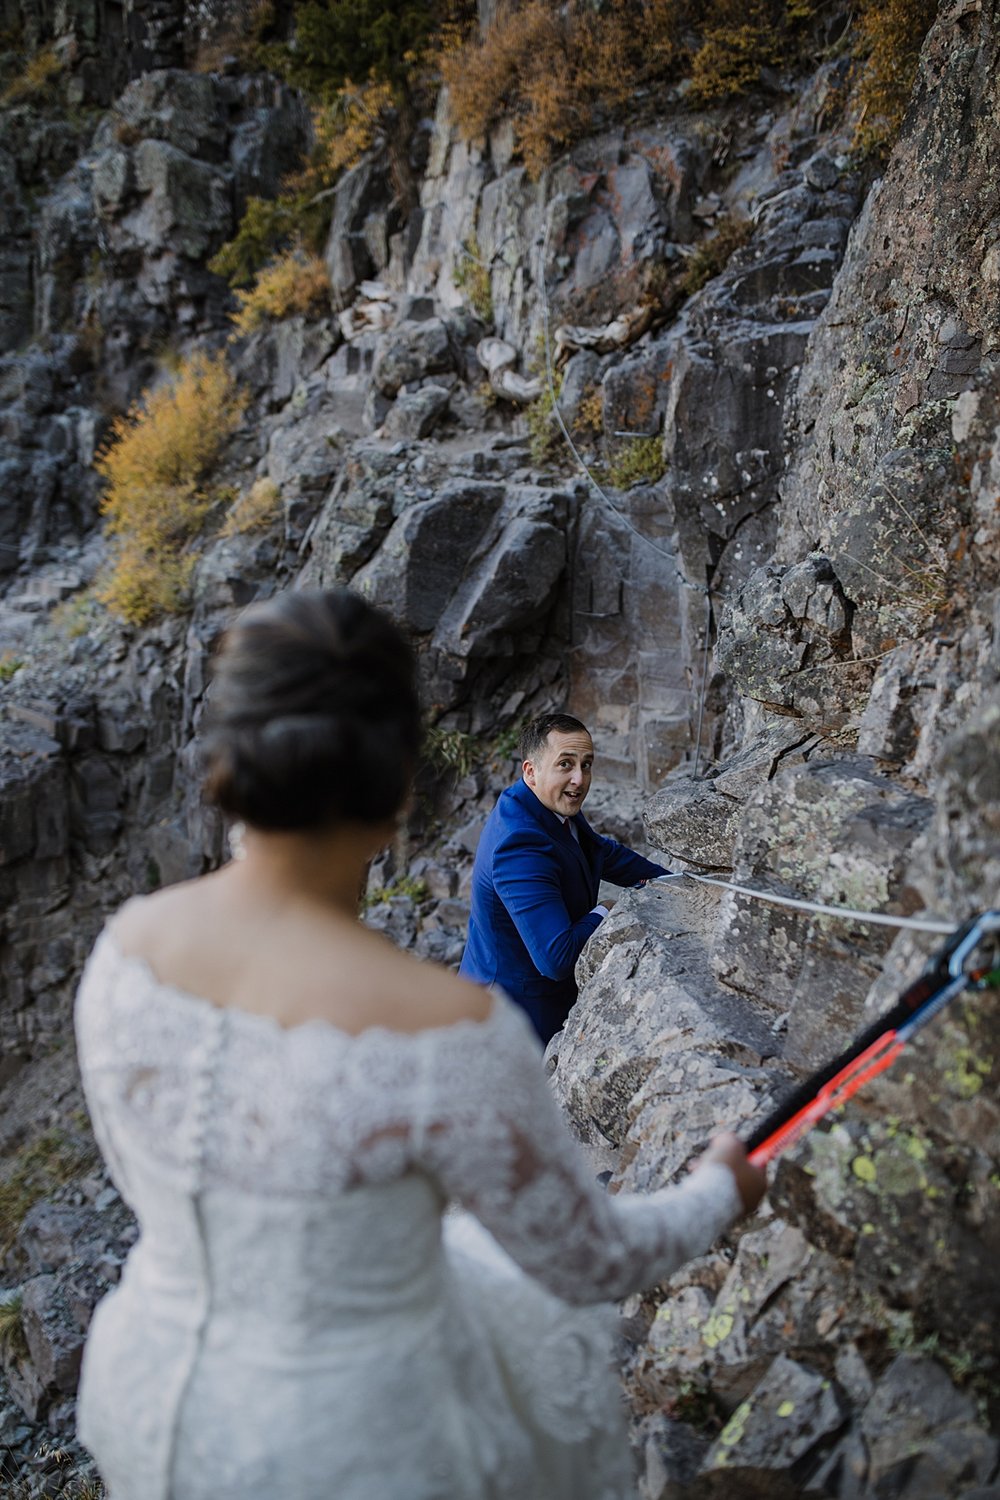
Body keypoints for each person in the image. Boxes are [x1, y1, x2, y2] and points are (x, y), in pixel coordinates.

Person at [74, 588, 766, 1500]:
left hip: (140, 1391)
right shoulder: (447, 1031)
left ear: (228, 756)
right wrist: (721, 1188)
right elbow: (591, 1259)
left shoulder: (127, 949)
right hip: (354, 1442)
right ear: (402, 781)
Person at [460, 712, 670, 1044]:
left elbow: (599, 851)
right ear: (531, 771)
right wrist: (606, 910)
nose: (579, 779)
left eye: (586, 764)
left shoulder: (548, 801)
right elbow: (556, 958)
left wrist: (671, 881)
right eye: (565, 764)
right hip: (514, 1018)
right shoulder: (518, 846)